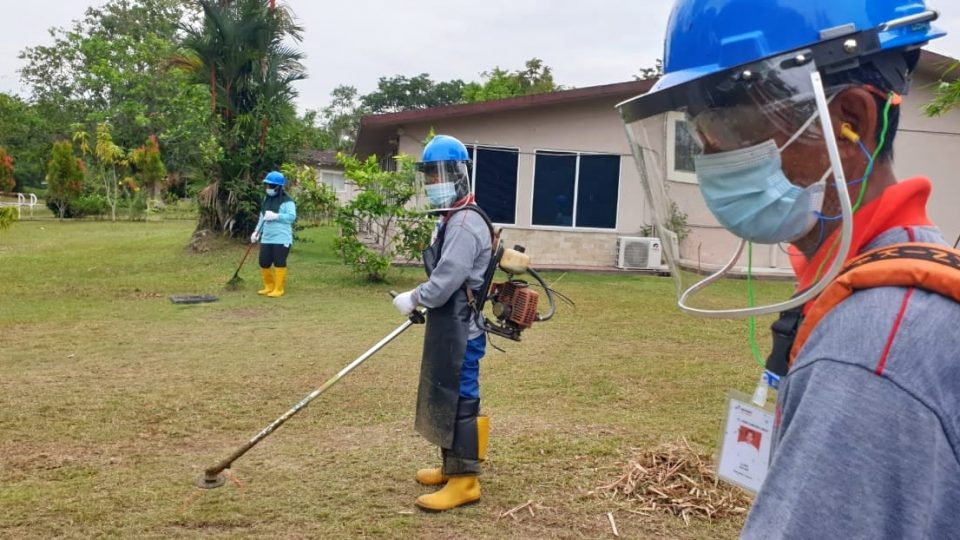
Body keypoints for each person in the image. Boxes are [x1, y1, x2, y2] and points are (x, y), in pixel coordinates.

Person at [616, 1, 958, 537]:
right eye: (700, 134)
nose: (710, 159)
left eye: (728, 133)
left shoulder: (869, 351)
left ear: (849, 121)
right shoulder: (886, 273)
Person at [392, 134, 494, 511]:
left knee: (461, 399)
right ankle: (452, 469)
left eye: (440, 175)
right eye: (430, 176)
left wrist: (415, 297)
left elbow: (449, 277)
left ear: (459, 174)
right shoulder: (453, 217)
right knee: (445, 394)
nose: (435, 183)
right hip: (450, 324)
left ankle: (465, 482)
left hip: (462, 328)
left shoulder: (466, 222)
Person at [251, 171, 296, 298]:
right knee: (264, 262)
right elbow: (262, 216)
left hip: (282, 238)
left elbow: (291, 217)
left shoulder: (288, 201)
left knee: (279, 262)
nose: (268, 188)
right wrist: (256, 232)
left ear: (278, 187)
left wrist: (277, 216)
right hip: (267, 237)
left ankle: (278, 288)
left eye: (271, 186)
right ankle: (269, 286)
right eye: (267, 185)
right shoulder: (267, 199)